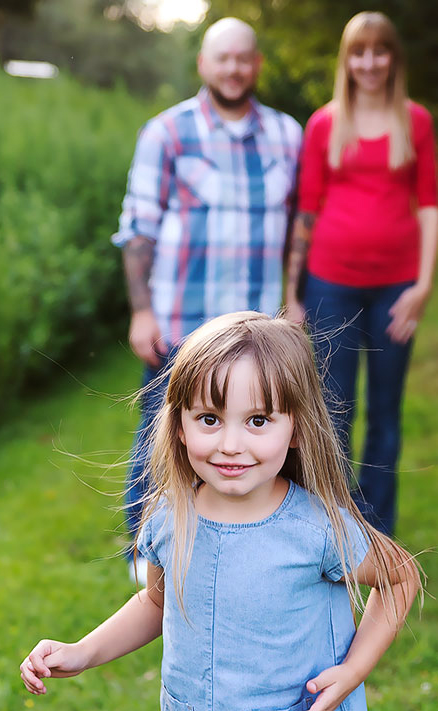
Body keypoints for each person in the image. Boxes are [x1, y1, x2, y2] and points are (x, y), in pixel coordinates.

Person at [21, 313, 421, 711]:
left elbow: (399, 579)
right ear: (177, 424)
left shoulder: (316, 528)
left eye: (257, 421)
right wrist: (81, 651)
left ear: (295, 427)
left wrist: (351, 672)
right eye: (209, 419)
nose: (230, 443)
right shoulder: (171, 515)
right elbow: (157, 602)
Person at [112, 17, 303, 584]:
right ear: (203, 63)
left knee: (248, 437)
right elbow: (138, 230)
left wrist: (293, 300)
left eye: (244, 58)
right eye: (223, 58)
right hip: (180, 322)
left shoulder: (287, 135)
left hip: (257, 331)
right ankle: (146, 557)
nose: (234, 68)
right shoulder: (166, 133)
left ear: (257, 65)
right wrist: (141, 309)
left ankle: (233, 546)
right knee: (163, 437)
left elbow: (298, 229)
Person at [283, 12, 438, 537]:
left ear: (393, 57)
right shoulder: (325, 124)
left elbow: (430, 205)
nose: (369, 62)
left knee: (386, 414)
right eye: (359, 52)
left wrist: (423, 284)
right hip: (331, 282)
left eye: (379, 51)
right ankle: (335, 529)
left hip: (395, 287)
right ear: (346, 60)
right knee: (333, 413)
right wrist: (293, 291)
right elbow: (306, 210)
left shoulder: (415, 120)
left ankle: (378, 535)